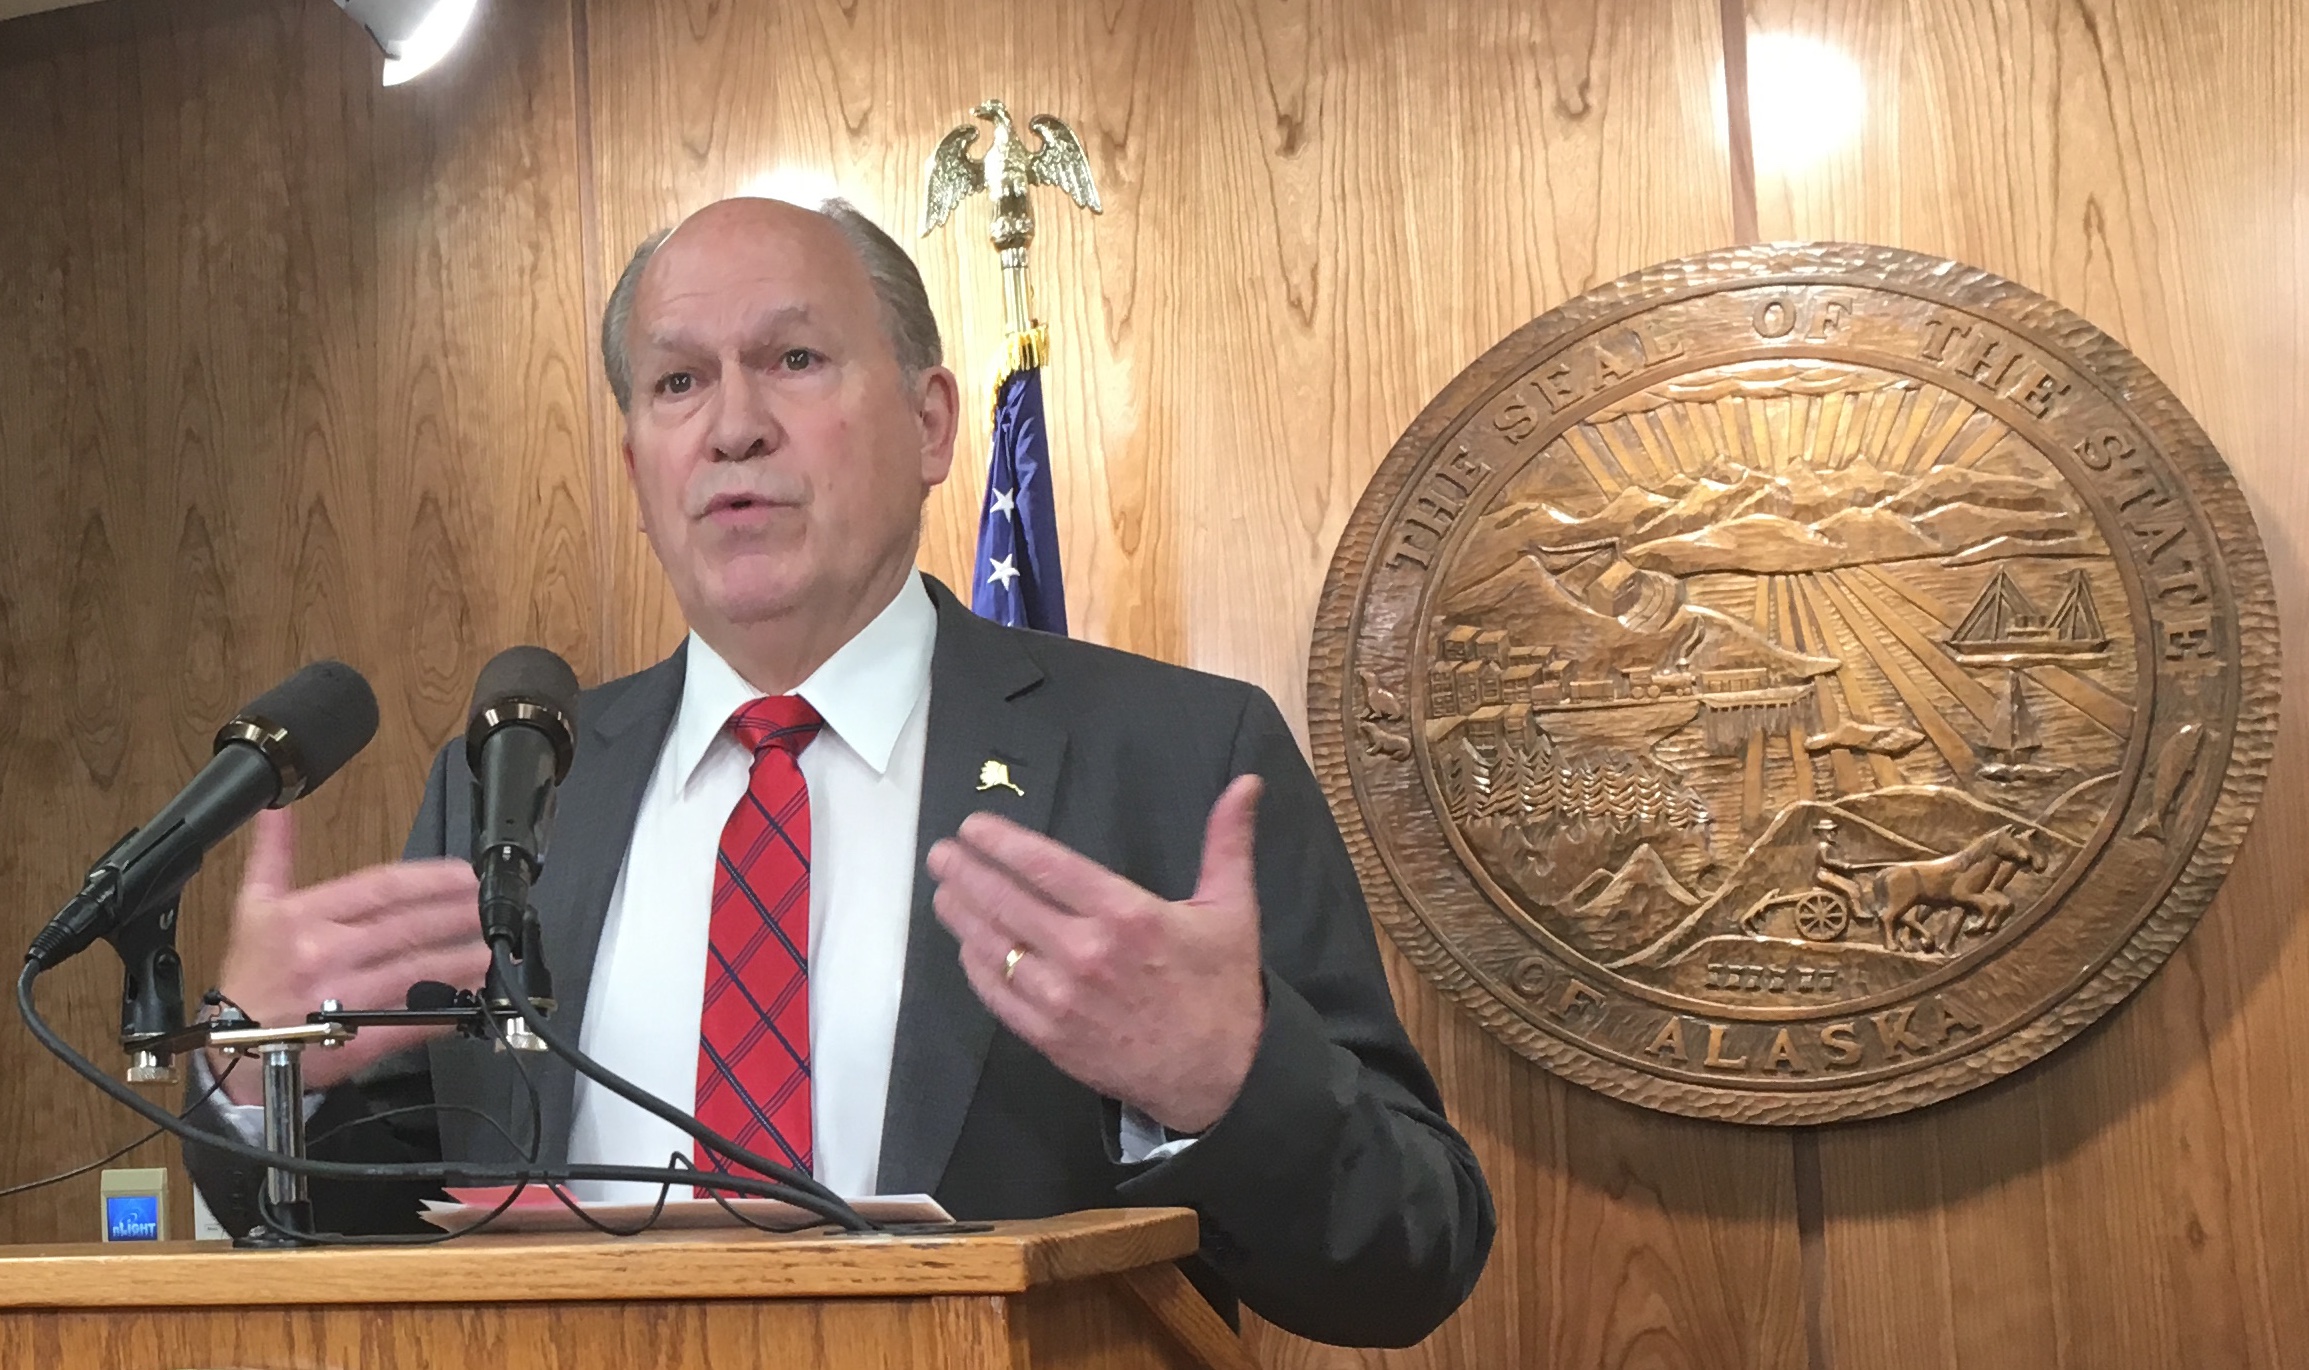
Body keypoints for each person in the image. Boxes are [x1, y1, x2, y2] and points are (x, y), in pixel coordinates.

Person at [183, 197, 1492, 1347]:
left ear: (930, 423)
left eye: (794, 360)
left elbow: (1407, 1259)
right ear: (637, 463)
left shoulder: (1173, 756)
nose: (734, 428)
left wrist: (1229, 1080)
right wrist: (255, 1076)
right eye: (677, 383)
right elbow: (393, 1215)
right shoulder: (517, 779)